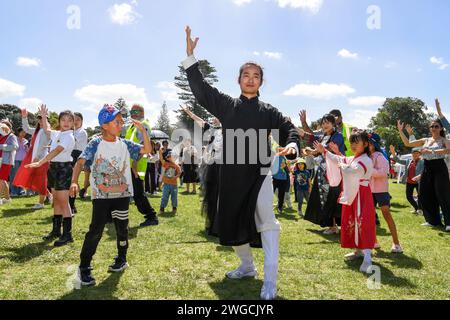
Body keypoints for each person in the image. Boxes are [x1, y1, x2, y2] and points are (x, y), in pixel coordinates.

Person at [183, 27, 300, 300]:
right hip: (231, 174)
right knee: (232, 220)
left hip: (260, 174)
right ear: (238, 80)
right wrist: (190, 57)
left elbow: (288, 129)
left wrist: (292, 145)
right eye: (246, 75)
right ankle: (247, 267)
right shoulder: (226, 105)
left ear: (261, 82)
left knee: (268, 223)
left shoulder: (268, 111)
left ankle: (270, 282)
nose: (250, 79)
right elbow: (202, 92)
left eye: (256, 76)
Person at [70, 105, 151, 286]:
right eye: (117, 122)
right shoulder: (95, 143)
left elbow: (146, 150)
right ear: (105, 125)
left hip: (122, 195)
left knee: (122, 229)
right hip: (101, 196)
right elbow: (80, 162)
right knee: (96, 230)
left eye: (121, 121)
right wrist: (74, 181)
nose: (121, 124)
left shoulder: (125, 144)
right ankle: (84, 267)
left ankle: (121, 259)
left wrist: (143, 131)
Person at [314, 131, 376, 273]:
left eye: (357, 142)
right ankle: (358, 250)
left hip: (361, 194)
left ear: (365, 144)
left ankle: (367, 258)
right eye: (352, 142)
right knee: (352, 221)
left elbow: (352, 170)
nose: (353, 145)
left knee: (362, 222)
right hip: (353, 193)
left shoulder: (366, 159)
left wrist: (341, 162)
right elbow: (341, 160)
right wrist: (325, 152)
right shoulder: (355, 158)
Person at [26, 106, 76, 246]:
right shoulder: (58, 134)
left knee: (63, 201)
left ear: (73, 123)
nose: (66, 122)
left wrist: (40, 162)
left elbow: (56, 151)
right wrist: (43, 116)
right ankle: (56, 231)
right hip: (53, 168)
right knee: (56, 200)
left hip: (63, 169)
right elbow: (47, 130)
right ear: (59, 121)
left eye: (69, 120)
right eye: (63, 120)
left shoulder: (69, 137)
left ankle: (67, 235)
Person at [397, 120, 450, 231]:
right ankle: (433, 221)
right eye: (432, 126)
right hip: (427, 167)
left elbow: (448, 150)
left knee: (442, 195)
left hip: (439, 167)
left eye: (436, 126)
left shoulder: (444, 140)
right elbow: (408, 143)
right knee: (424, 194)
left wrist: (431, 152)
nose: (434, 128)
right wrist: (400, 131)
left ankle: (448, 223)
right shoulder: (425, 140)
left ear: (441, 128)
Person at [180, 105, 223, 235]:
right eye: (214, 117)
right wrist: (188, 112)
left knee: (223, 196)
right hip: (212, 166)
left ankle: (223, 224)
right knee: (212, 195)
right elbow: (198, 120)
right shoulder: (210, 129)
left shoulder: (229, 129)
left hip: (225, 166)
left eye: (218, 117)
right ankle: (213, 225)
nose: (215, 119)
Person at [302, 114, 345, 235]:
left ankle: (334, 226)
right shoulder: (323, 136)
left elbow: (328, 150)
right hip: (322, 171)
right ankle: (331, 225)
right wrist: (301, 123)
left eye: (328, 122)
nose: (325, 125)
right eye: (323, 123)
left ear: (333, 124)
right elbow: (308, 136)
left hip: (333, 173)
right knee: (323, 198)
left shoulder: (338, 136)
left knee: (331, 198)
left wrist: (312, 151)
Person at [124, 104, 159, 227]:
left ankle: (151, 216)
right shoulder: (131, 126)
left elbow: (142, 146)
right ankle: (114, 215)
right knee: (130, 192)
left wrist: (134, 164)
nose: (132, 113)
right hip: (129, 164)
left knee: (138, 194)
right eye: (131, 111)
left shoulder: (143, 125)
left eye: (135, 111)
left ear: (142, 113)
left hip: (137, 165)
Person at [368, 133, 403, 253]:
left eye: (370, 143)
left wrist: (369, 170)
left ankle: (396, 243)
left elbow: (383, 172)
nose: (368, 145)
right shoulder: (367, 156)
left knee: (386, 214)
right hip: (369, 190)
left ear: (374, 144)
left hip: (381, 190)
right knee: (370, 216)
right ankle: (374, 241)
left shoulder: (380, 157)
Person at [14, 108, 52, 209]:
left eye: (43, 118)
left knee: (41, 180)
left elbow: (43, 146)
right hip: (34, 159)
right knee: (35, 179)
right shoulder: (37, 131)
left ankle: (41, 203)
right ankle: (49, 196)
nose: (40, 120)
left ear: (47, 120)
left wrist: (37, 158)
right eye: (39, 118)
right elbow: (26, 128)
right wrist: (24, 117)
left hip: (41, 160)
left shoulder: (47, 132)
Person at [390, 145, 424, 214]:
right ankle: (417, 208)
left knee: (420, 196)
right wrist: (393, 152)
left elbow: (424, 171)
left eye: (417, 153)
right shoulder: (408, 161)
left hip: (418, 182)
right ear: (412, 154)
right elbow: (398, 160)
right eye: (414, 153)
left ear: (419, 154)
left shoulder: (422, 162)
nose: (415, 154)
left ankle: (420, 209)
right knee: (409, 197)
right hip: (409, 182)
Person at [69, 112, 88, 215]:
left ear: (81, 121)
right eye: (74, 119)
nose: (75, 122)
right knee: (70, 181)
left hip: (78, 157)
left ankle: (71, 206)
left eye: (77, 120)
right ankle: (72, 206)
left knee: (73, 181)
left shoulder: (82, 132)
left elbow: (73, 142)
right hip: (70, 155)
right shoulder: (71, 132)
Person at [0, 122, 18, 205]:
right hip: (1, 160)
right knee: (3, 180)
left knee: (1, 180)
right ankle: (7, 199)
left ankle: (2, 198)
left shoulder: (12, 136)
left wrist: (1, 146)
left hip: (6, 161)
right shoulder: (2, 135)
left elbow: (15, 147)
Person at [159, 148, 181, 214]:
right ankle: (162, 209)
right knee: (164, 197)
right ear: (168, 158)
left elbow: (179, 173)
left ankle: (174, 208)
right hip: (166, 184)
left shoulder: (176, 166)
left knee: (174, 197)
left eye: (172, 156)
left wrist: (175, 177)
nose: (171, 158)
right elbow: (161, 159)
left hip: (174, 185)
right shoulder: (165, 163)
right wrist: (160, 152)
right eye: (169, 157)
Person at [9, 128, 28, 197]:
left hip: (23, 161)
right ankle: (13, 191)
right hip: (15, 160)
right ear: (18, 132)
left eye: (24, 132)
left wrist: (27, 148)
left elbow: (27, 151)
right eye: (22, 132)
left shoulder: (25, 141)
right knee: (14, 176)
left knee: (21, 176)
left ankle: (21, 191)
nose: (23, 134)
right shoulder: (14, 139)